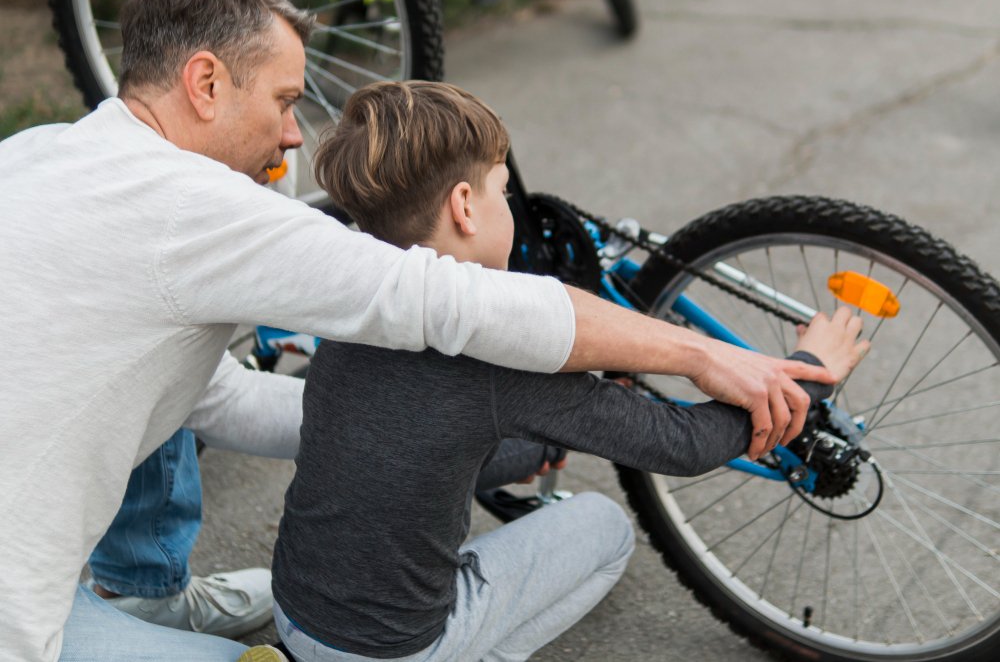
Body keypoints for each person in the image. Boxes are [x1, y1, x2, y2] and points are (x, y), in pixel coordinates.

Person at [0, 0, 835, 662]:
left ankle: (146, 604)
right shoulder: (193, 210)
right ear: (207, 83)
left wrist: (372, 424)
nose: (295, 137)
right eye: (287, 100)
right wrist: (698, 355)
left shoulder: (39, 154)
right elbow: (443, 301)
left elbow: (203, 394)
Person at [269, 81, 868, 661]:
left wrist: (540, 444)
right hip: (395, 650)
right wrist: (809, 375)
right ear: (464, 207)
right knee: (604, 527)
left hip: (294, 615)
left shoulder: (352, 311)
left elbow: (421, 447)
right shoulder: (499, 352)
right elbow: (683, 445)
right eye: (502, 193)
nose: (507, 205)